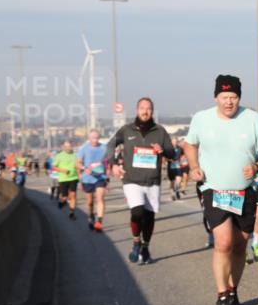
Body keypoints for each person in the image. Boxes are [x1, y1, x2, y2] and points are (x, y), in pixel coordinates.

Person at [183, 75, 258, 305]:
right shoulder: (201, 119)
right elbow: (189, 145)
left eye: (233, 97)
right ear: (216, 97)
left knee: (240, 244)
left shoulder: (253, 119)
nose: (229, 102)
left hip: (245, 191)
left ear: (239, 98)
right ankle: (222, 295)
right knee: (223, 242)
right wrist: (194, 166)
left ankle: (233, 292)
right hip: (214, 189)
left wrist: (257, 166)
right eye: (224, 97)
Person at [106, 98, 176, 265]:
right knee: (137, 212)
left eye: (149, 109)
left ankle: (145, 246)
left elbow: (172, 153)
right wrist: (113, 164)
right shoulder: (127, 129)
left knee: (149, 217)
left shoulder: (159, 131)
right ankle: (136, 241)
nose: (145, 111)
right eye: (142, 108)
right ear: (137, 110)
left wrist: (163, 150)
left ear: (152, 111)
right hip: (132, 179)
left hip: (153, 181)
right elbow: (110, 145)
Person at [76, 130, 109, 232]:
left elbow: (108, 163)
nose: (95, 140)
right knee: (90, 202)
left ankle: (99, 222)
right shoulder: (83, 148)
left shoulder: (104, 148)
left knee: (100, 199)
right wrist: (84, 169)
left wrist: (107, 177)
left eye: (96, 137)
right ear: (89, 138)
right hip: (87, 178)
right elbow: (77, 163)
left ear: (99, 137)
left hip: (100, 177)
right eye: (92, 138)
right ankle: (90, 216)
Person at [52, 141, 79, 220]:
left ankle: (72, 213)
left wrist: (80, 173)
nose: (68, 148)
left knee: (73, 195)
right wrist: (62, 170)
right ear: (63, 147)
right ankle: (62, 201)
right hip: (63, 179)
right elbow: (54, 167)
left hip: (74, 178)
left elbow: (78, 165)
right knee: (65, 196)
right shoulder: (59, 156)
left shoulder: (75, 155)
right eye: (66, 146)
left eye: (69, 146)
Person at [166, 137, 185, 201]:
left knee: (179, 180)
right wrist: (169, 159)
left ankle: (176, 191)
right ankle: (172, 193)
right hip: (170, 166)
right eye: (173, 141)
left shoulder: (179, 148)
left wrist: (181, 160)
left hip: (178, 166)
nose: (175, 143)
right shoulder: (168, 148)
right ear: (171, 142)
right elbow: (164, 157)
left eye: (176, 141)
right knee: (172, 181)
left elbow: (184, 154)